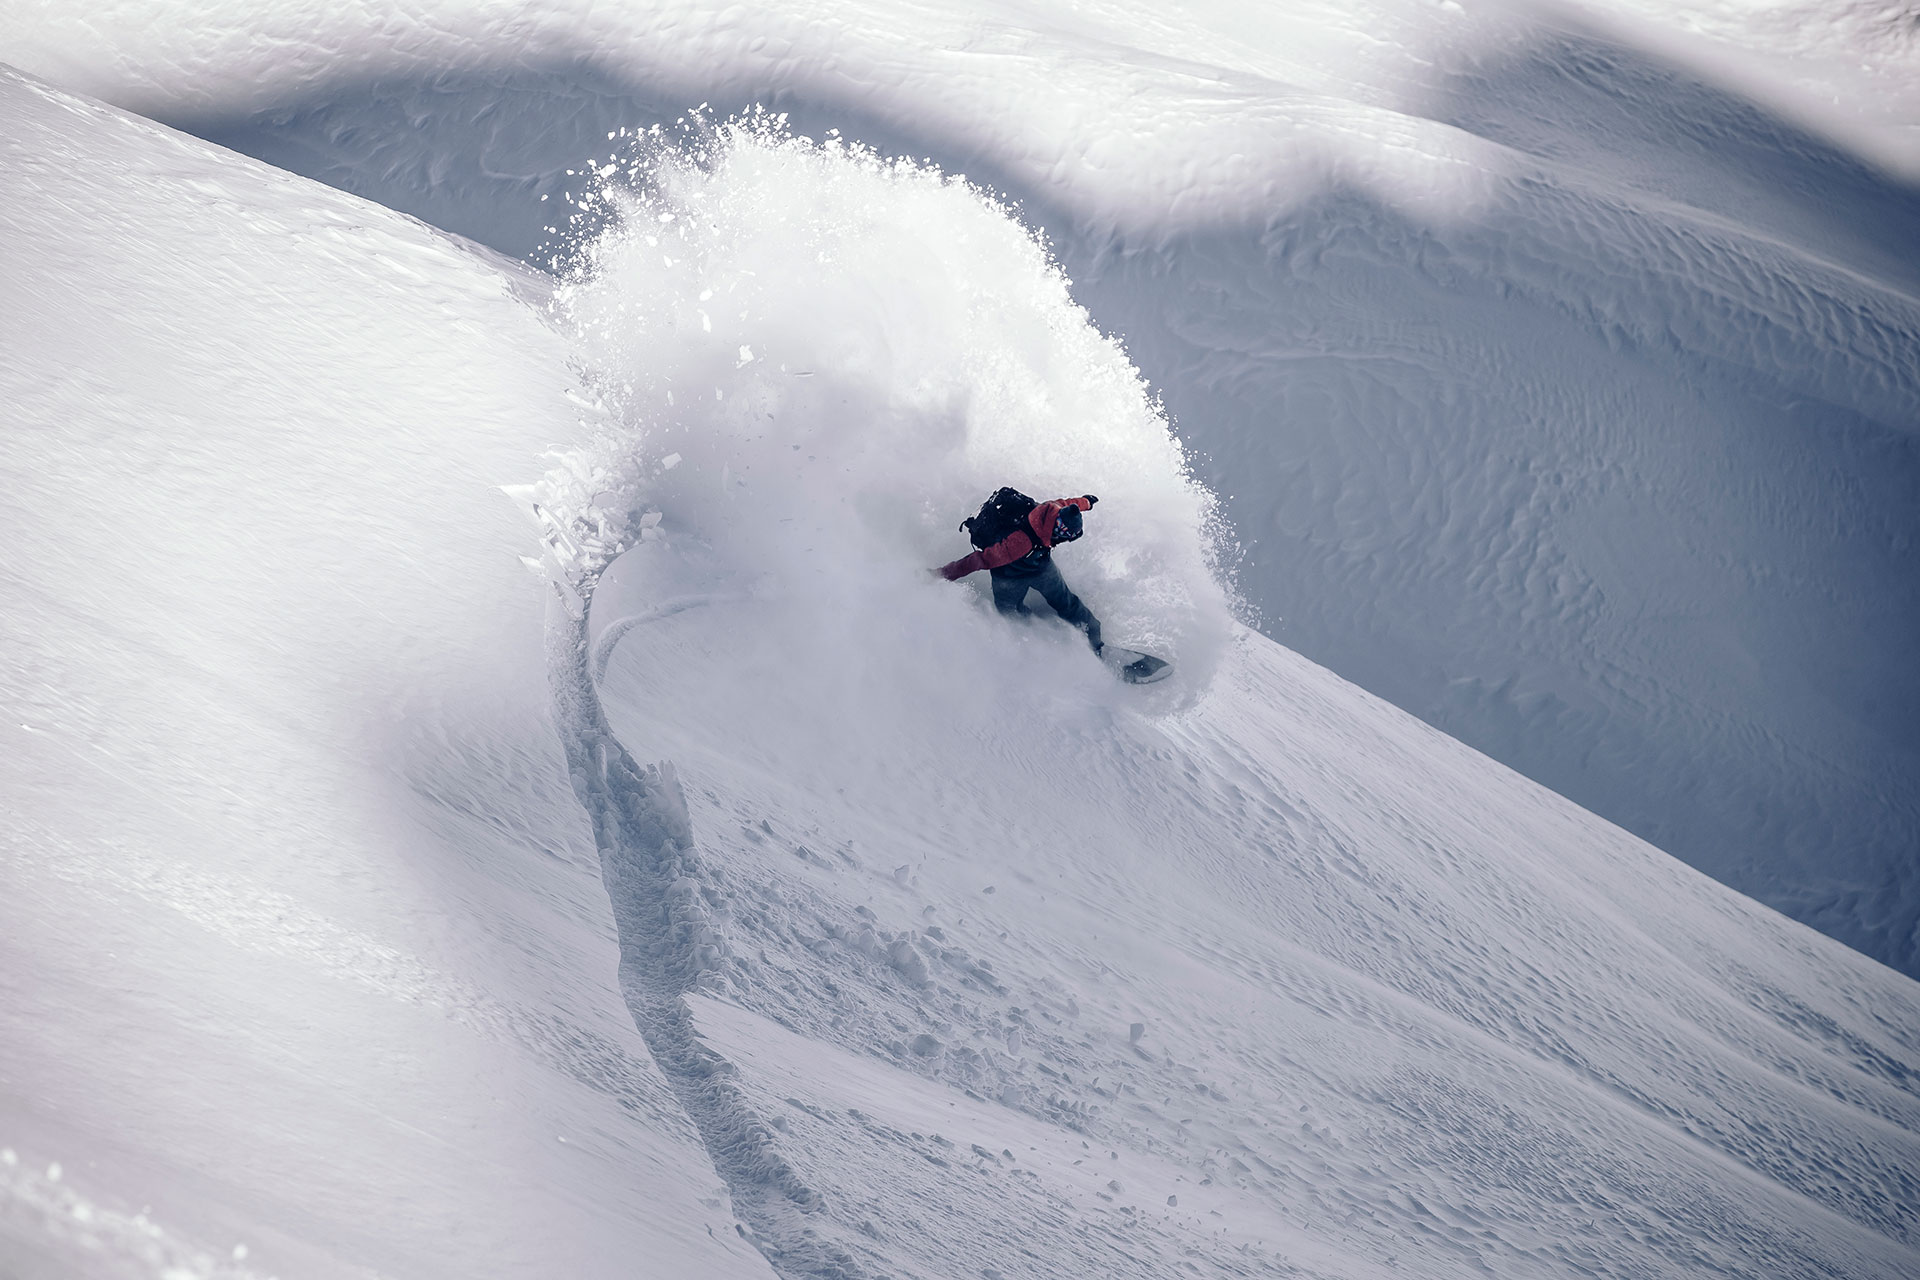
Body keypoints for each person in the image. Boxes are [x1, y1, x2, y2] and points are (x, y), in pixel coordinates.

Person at [938, 493, 1103, 654]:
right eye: (1070, 537)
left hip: (1040, 567)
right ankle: (1031, 642)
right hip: (1008, 579)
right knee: (1010, 617)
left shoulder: (1052, 510)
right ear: (1060, 532)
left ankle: (1094, 639)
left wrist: (1086, 502)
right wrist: (944, 574)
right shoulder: (1020, 543)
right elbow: (981, 559)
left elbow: (1067, 504)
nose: (1067, 541)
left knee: (1066, 601)